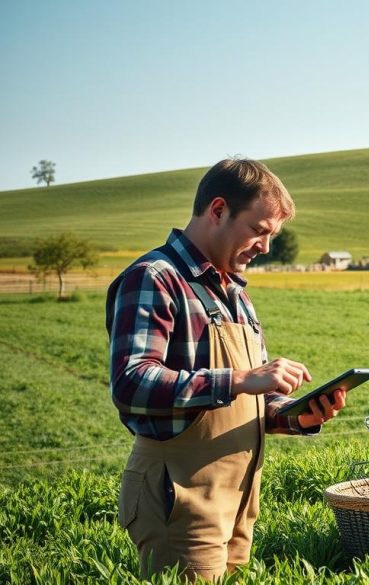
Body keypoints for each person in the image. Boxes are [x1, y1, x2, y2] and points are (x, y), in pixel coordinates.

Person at [106, 158, 348, 581]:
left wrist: (294, 415)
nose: (266, 247)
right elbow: (132, 382)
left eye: (273, 235)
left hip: (237, 497)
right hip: (179, 495)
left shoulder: (235, 292)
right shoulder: (155, 278)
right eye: (259, 230)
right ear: (218, 210)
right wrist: (239, 379)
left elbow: (249, 399)